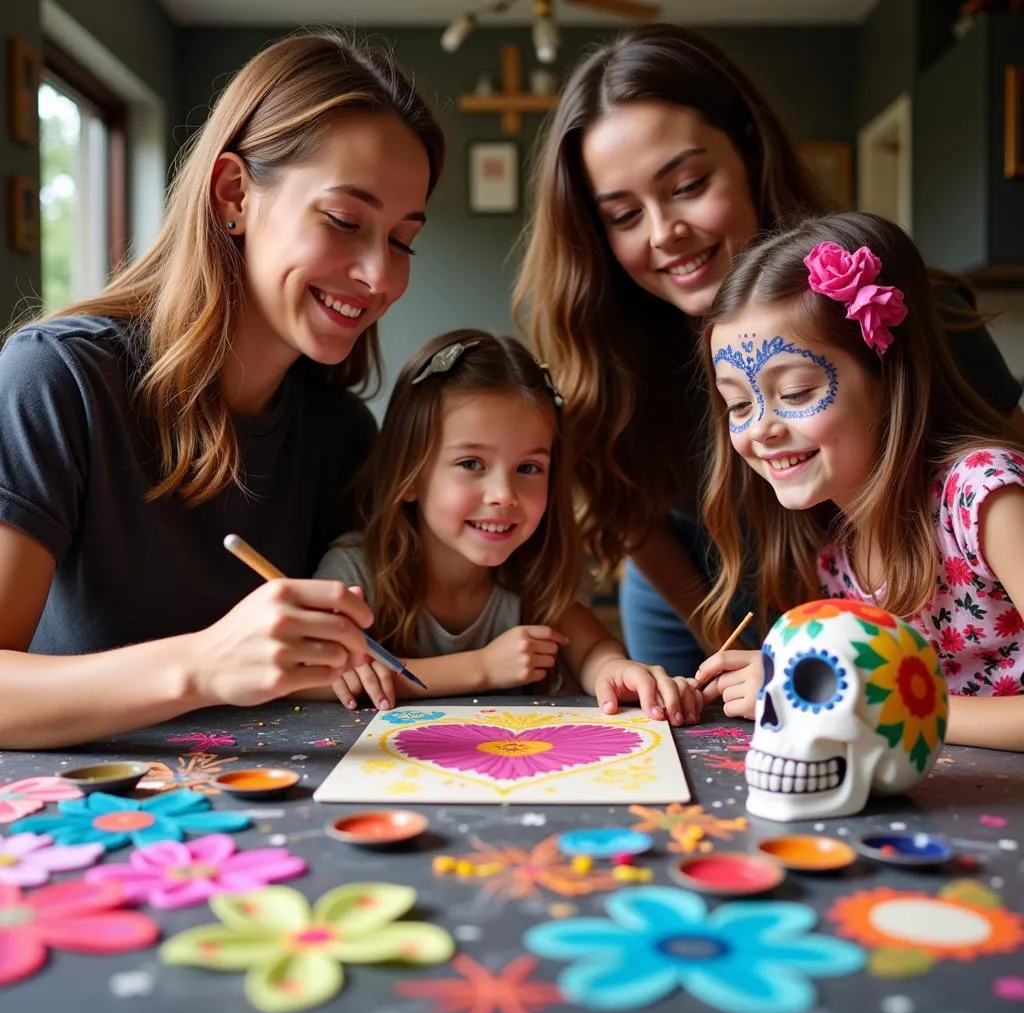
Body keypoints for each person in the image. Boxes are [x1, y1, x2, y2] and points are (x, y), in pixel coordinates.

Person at [513, 23, 1024, 679]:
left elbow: (1004, 480)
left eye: (688, 184)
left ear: (749, 152)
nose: (665, 233)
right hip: (709, 599)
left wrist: (825, 678)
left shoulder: (912, 316)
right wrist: (761, 659)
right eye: (623, 215)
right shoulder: (612, 353)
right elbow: (634, 518)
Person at [0, 33, 445, 749]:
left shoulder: (339, 434)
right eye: (344, 220)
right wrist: (202, 666)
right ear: (235, 194)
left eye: (402, 239)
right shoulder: (57, 380)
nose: (380, 276)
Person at [695, 210, 1024, 752]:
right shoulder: (833, 552)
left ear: (887, 377)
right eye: (738, 403)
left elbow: (872, 703)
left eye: (797, 393)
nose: (761, 429)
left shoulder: (985, 497)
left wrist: (851, 698)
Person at [315, 330, 704, 727]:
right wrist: (482, 668)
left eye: (529, 468)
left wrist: (615, 670)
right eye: (471, 464)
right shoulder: (355, 573)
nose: (503, 494)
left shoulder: (539, 571)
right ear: (409, 474)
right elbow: (304, 678)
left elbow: (592, 652)